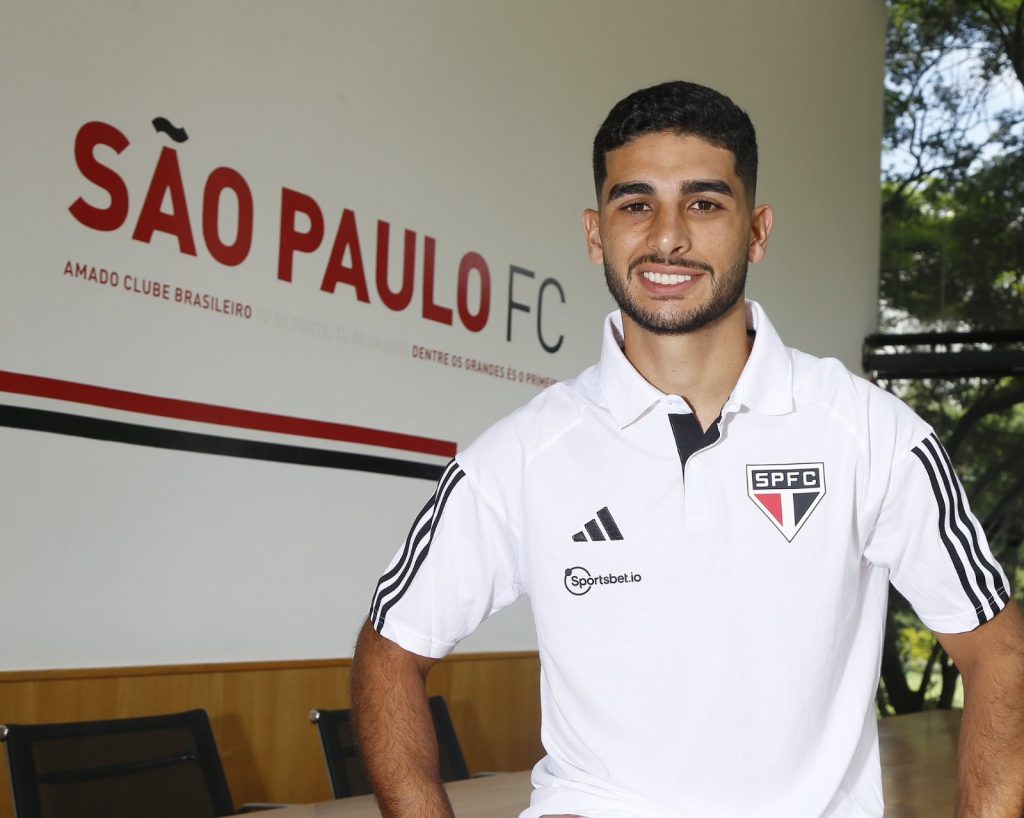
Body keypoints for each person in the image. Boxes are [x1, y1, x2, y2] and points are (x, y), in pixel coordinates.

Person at [350, 80, 1024, 818]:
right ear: (594, 232)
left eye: (704, 203)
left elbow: (998, 654)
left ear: (757, 231)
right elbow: (391, 650)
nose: (666, 236)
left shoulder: (872, 434)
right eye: (635, 204)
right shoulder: (520, 456)